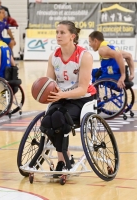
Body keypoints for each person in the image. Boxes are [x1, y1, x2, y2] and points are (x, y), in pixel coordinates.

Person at [39, 21, 96, 177]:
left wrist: (62, 94)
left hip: (82, 99)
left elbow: (83, 88)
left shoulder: (85, 56)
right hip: (61, 97)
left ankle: (62, 160)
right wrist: (43, 91)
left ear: (72, 36)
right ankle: (64, 157)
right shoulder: (54, 56)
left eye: (62, 32)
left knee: (58, 118)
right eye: (57, 32)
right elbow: (49, 82)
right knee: (45, 122)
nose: (58, 35)